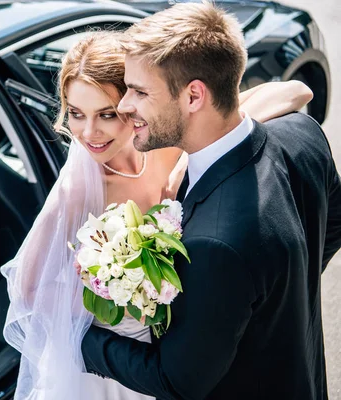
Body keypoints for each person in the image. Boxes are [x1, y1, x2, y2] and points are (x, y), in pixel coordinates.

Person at [1, 27, 314, 400]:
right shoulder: (78, 190)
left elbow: (296, 91)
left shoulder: (166, 141)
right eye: (76, 113)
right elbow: (27, 292)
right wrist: (116, 289)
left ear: (135, 105)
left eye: (106, 114)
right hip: (121, 364)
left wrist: (185, 162)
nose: (88, 132)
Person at [80, 3, 341, 400]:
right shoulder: (302, 133)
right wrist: (276, 296)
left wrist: (82, 343)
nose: (125, 105)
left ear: (194, 95)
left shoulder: (216, 245)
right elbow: (334, 222)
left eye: (139, 91)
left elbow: (177, 381)